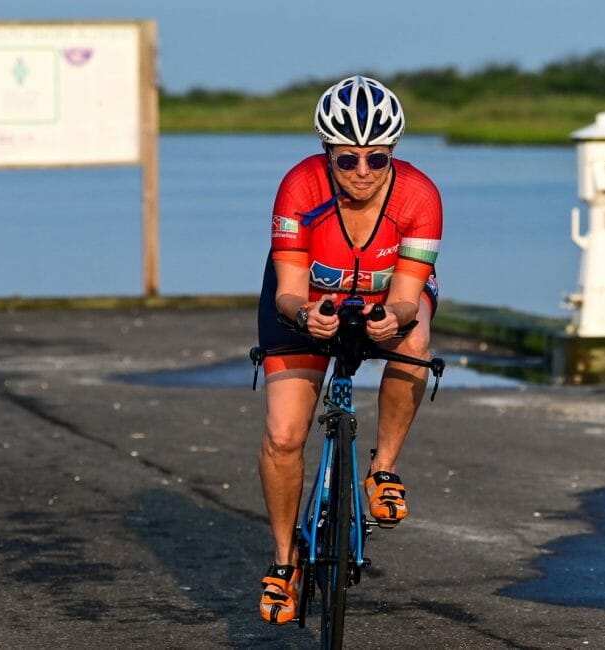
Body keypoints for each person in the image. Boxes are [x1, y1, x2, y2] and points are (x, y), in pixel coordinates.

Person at [256, 75, 443, 624]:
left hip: (390, 297)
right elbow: (290, 291)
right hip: (307, 301)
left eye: (377, 159)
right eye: (347, 160)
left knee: (416, 337)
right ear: (326, 153)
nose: (362, 172)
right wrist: (305, 316)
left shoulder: (420, 197)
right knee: (284, 435)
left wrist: (395, 319)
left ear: (393, 156)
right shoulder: (299, 187)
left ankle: (382, 469)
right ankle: (285, 564)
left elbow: (408, 297)